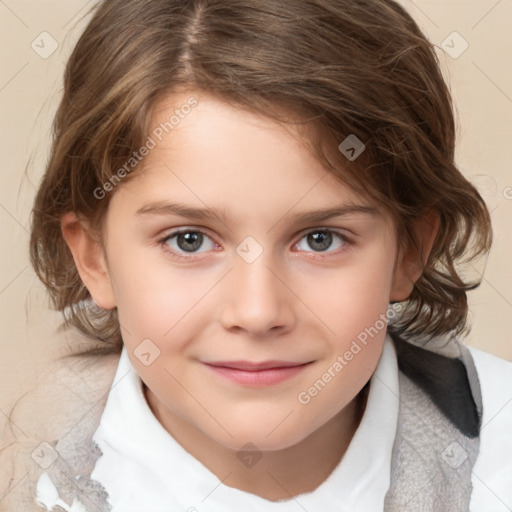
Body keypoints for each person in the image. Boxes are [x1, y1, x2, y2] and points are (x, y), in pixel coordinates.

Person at [1, 0, 511, 510]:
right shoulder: (23, 475)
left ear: (409, 252)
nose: (257, 312)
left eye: (320, 239)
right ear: (94, 258)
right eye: (189, 240)